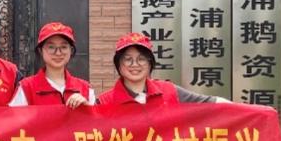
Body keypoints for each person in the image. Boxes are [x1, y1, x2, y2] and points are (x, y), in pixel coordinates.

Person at [96, 32, 230, 106]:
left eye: (141, 59)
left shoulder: (169, 91)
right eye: (127, 59)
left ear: (150, 64)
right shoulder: (104, 103)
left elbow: (210, 103)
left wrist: (241, 111)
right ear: (118, 65)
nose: (135, 64)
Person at [10, 21, 94, 108]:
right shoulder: (26, 88)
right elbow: (14, 116)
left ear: (71, 50)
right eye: (51, 47)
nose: (58, 53)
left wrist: (87, 109)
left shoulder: (85, 89)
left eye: (63, 47)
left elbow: (96, 117)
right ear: (40, 51)